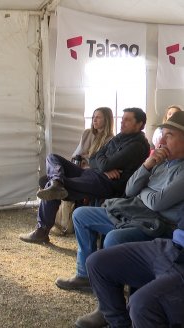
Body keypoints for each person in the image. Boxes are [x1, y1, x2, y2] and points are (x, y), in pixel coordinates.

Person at [55, 111, 184, 294]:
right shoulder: (161, 163)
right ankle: (84, 275)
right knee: (81, 214)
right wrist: (147, 166)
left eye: (169, 136)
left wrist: (143, 190)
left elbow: (156, 203)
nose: (161, 142)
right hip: (135, 213)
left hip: (157, 224)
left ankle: (109, 300)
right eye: (162, 136)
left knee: (114, 238)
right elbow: (130, 190)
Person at [20, 108, 150, 244]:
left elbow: (103, 162)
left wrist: (103, 165)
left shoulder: (137, 145)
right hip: (93, 174)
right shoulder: (120, 137)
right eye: (122, 119)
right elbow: (94, 157)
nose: (122, 122)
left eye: (127, 120)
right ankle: (57, 181)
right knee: (52, 158)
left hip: (106, 183)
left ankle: (41, 231)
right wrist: (103, 165)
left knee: (49, 184)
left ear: (139, 124)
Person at [75, 213, 184, 328]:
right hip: (173, 245)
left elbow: (157, 203)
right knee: (97, 263)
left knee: (141, 304)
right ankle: (120, 324)